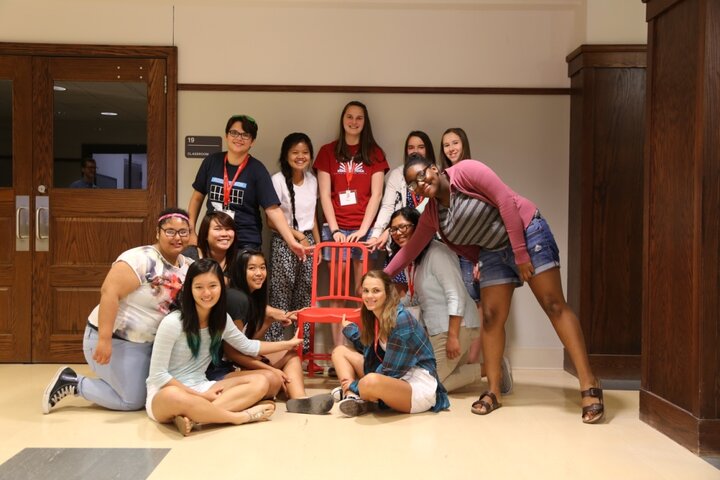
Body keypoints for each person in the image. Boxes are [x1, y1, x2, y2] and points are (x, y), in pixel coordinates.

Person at [386, 156, 604, 423]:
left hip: (526, 231)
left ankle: (589, 383)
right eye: (412, 184)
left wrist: (521, 254)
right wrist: (381, 277)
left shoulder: (466, 172)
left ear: (434, 168)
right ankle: (493, 391)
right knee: (490, 317)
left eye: (422, 176)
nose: (420, 184)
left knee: (553, 304)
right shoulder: (432, 214)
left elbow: (505, 202)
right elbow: (410, 250)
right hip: (492, 251)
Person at [42, 207, 194, 413]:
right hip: (114, 339)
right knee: (132, 401)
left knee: (158, 391)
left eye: (183, 232)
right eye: (170, 231)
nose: (177, 237)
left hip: (149, 345)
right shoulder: (140, 258)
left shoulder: (189, 267)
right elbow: (109, 293)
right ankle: (73, 382)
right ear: (157, 232)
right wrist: (104, 340)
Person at [146, 259, 304, 436]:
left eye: (213, 286)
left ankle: (194, 417)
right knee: (173, 395)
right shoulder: (173, 322)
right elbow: (158, 376)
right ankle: (237, 417)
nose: (206, 293)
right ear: (189, 289)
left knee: (260, 382)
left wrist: (287, 343)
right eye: (199, 287)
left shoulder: (221, 320)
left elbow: (247, 345)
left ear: (221, 287)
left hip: (203, 386)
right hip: (167, 394)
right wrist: (200, 397)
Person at [208, 249, 334, 415]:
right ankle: (259, 397)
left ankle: (300, 401)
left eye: (262, 267)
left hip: (235, 361)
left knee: (290, 355)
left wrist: (269, 320)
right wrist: (271, 369)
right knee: (273, 379)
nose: (259, 273)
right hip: (219, 369)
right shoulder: (237, 299)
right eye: (252, 268)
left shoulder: (250, 297)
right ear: (240, 271)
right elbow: (232, 352)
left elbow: (245, 341)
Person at [314, 101, 389, 347]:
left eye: (359, 118)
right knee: (337, 292)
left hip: (363, 231)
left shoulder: (375, 153)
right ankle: (339, 349)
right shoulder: (327, 151)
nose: (354, 122)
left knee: (362, 291)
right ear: (342, 119)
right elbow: (324, 194)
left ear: (365, 122)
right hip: (335, 230)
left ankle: (361, 348)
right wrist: (335, 229)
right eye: (349, 116)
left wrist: (364, 231)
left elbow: (376, 195)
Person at [330, 270, 450, 417]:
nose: (369, 296)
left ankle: (355, 393)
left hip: (416, 385)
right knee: (339, 351)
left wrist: (354, 385)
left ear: (387, 293)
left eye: (376, 291)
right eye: (366, 291)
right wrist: (351, 331)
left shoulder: (401, 320)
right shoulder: (374, 316)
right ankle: (352, 397)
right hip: (394, 377)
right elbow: (370, 351)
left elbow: (391, 372)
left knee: (370, 381)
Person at [388, 207, 482, 392]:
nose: (398, 234)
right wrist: (386, 308)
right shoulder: (412, 258)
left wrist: (453, 336)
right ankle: (486, 368)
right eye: (393, 230)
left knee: (428, 385)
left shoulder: (438, 253)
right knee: (428, 379)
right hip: (436, 328)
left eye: (403, 227)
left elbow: (456, 294)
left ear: (418, 227)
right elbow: (414, 298)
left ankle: (492, 368)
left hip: (457, 326)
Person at [186, 114, 305, 260]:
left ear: (252, 141)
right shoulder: (211, 162)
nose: (239, 138)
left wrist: (291, 242)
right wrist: (191, 232)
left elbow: (273, 209)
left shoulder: (257, 170)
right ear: (226, 135)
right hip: (213, 239)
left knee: (240, 282)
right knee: (212, 281)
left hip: (245, 241)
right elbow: (197, 198)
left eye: (245, 135)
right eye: (234, 133)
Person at [266, 133, 320, 354]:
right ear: (285, 155)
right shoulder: (277, 180)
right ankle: (273, 350)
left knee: (306, 297)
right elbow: (271, 221)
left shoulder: (313, 180)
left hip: (309, 242)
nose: (300, 157)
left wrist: (319, 246)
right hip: (283, 242)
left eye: (305, 152)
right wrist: (297, 236)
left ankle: (303, 352)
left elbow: (314, 216)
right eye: (295, 152)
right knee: (281, 297)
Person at [366, 131, 435, 254]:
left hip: (430, 239)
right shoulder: (397, 174)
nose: (415, 151)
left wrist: (390, 230)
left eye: (421, 147)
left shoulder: (435, 173)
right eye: (411, 147)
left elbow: (429, 207)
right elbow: (387, 206)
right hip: (401, 240)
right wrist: (376, 234)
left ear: (428, 149)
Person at [183, 211, 236, 280]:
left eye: (228, 229)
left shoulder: (238, 260)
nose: (224, 234)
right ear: (205, 234)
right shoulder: (189, 255)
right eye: (218, 229)